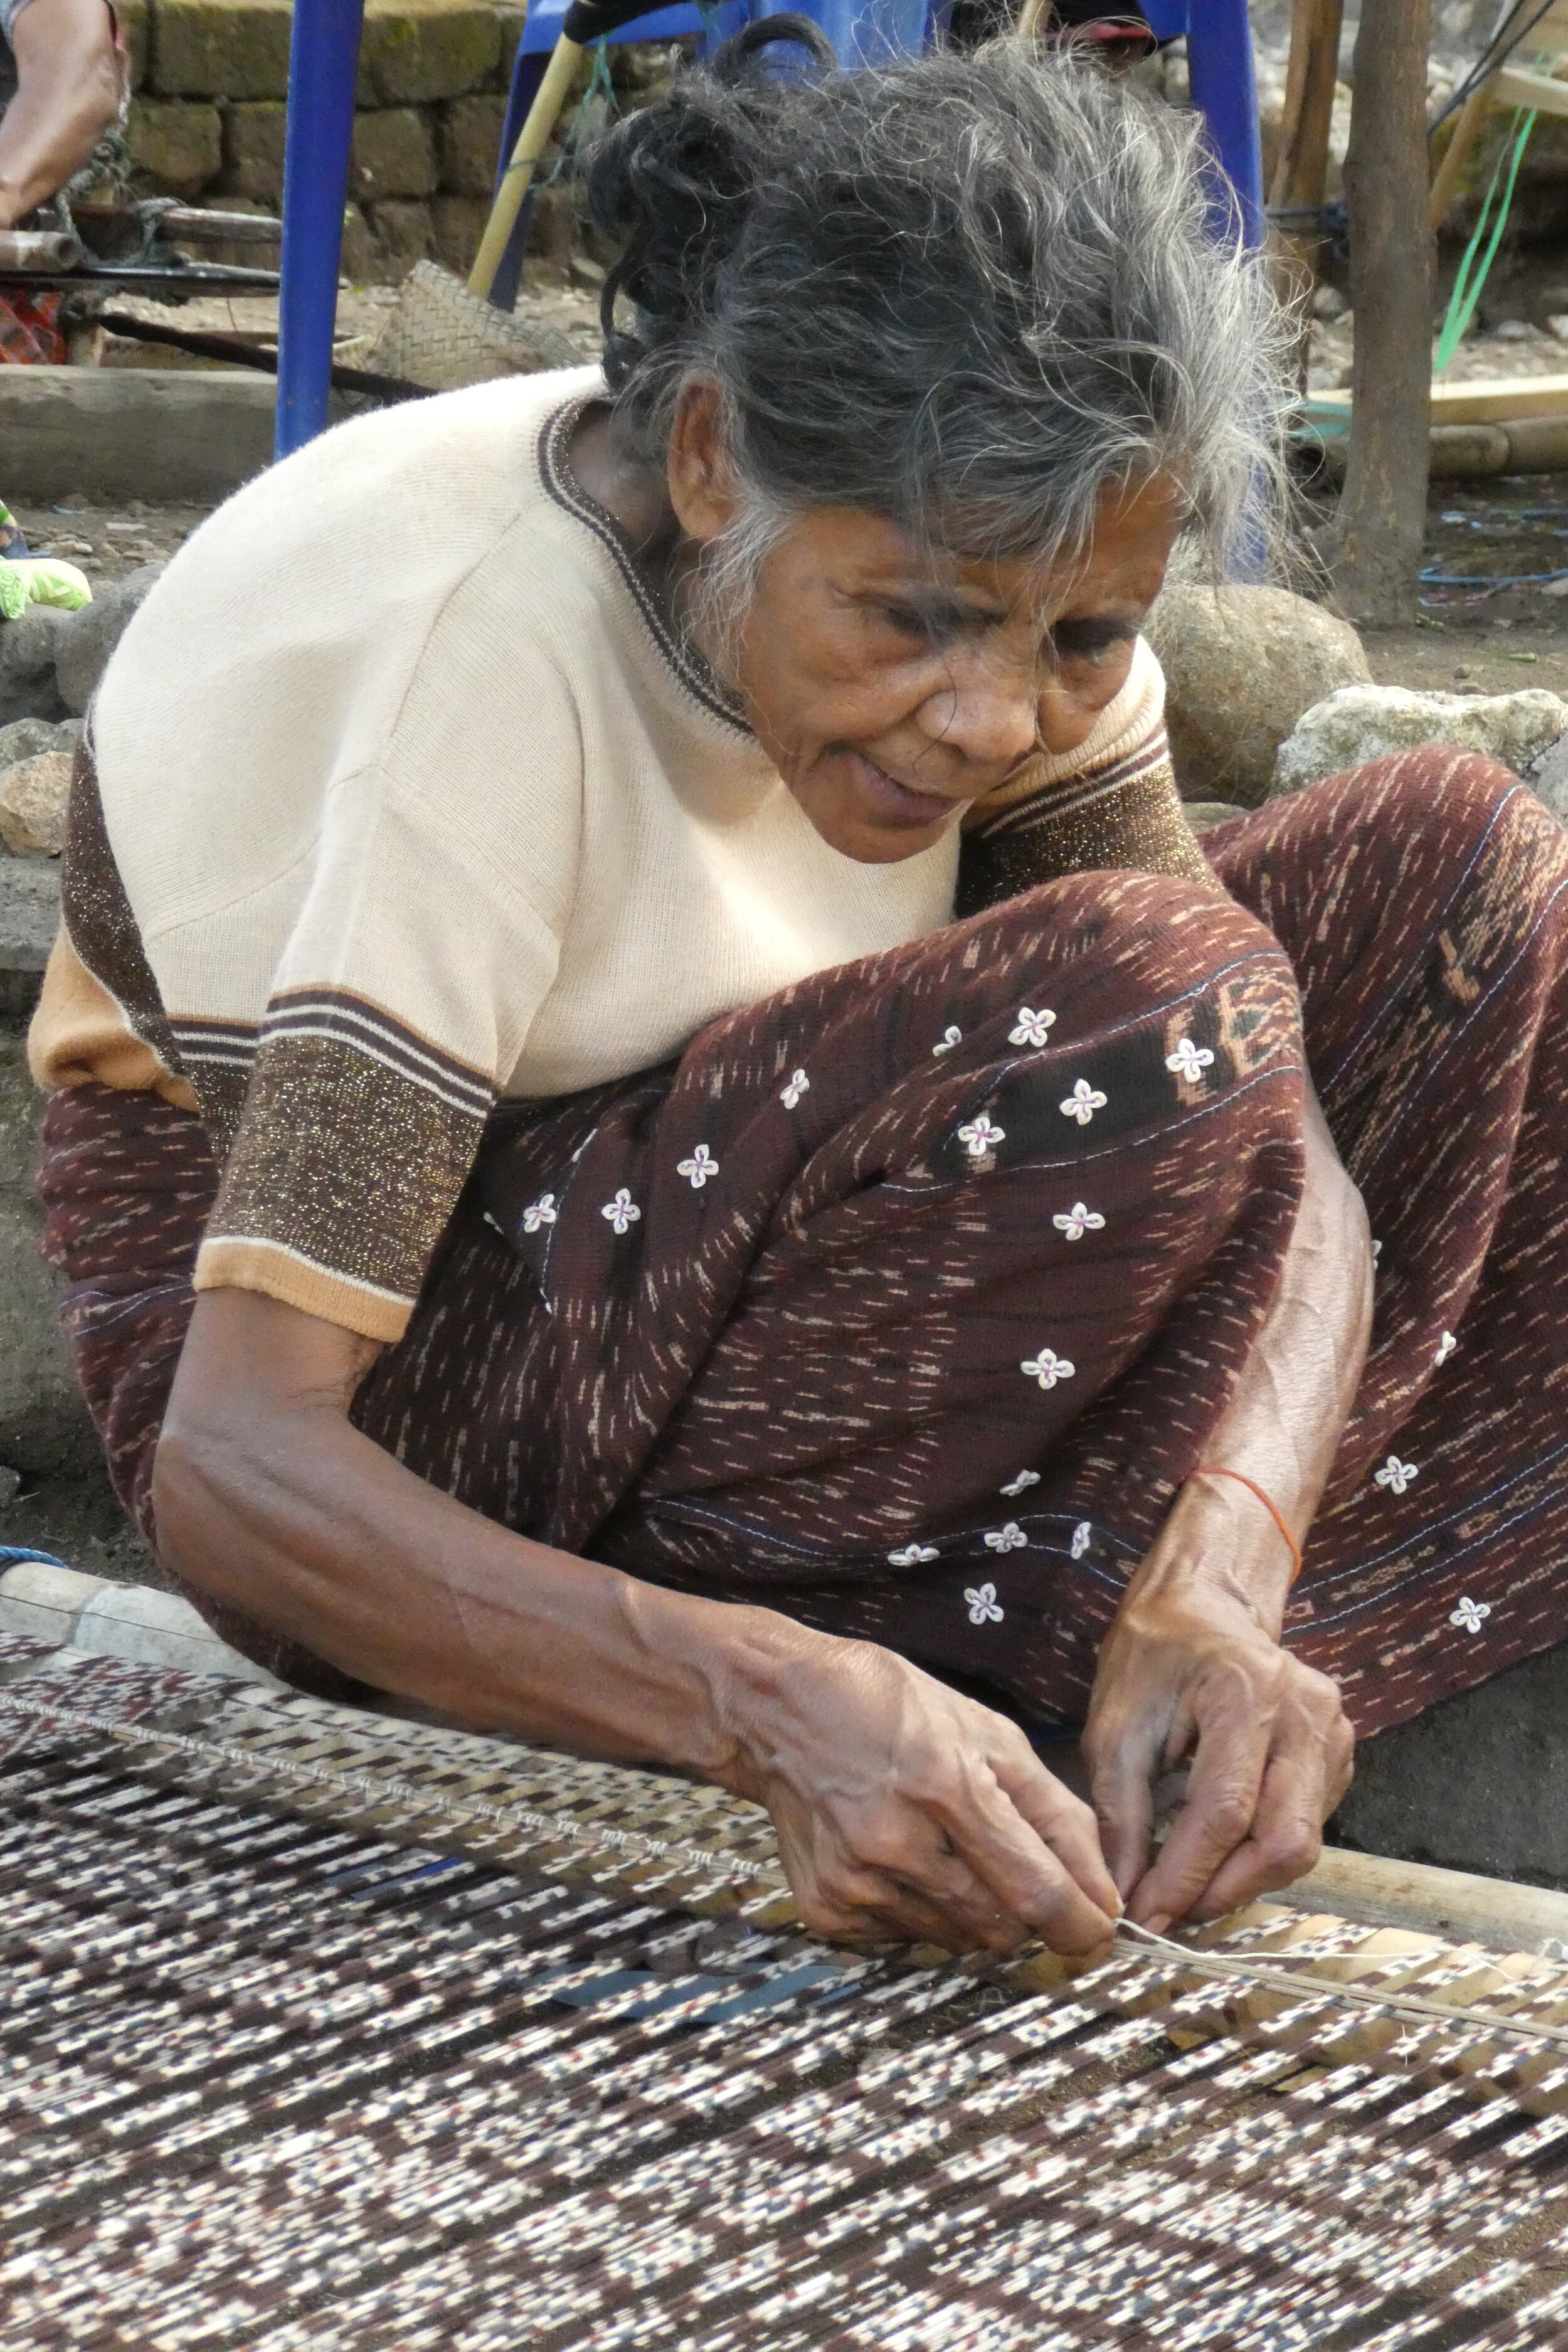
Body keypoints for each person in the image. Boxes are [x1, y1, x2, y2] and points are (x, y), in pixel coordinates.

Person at [28, 27, 1568, 1958]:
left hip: (740, 1196)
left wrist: (1227, 1568)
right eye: (910, 619)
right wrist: (754, 1704)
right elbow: (237, 1475)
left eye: (1077, 635)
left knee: (1461, 869)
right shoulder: (477, 671)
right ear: (706, 461)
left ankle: (1115, 1654)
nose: (994, 715)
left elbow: (1291, 1146)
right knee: (1144, 1005)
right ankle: (858, 1677)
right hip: (388, 1360)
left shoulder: (1006, 593)